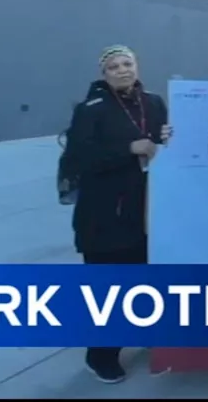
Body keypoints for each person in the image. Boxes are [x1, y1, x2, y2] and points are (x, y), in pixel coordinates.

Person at [63, 45, 172, 383]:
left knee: (142, 284)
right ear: (104, 74)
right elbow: (79, 158)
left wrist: (167, 137)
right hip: (104, 215)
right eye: (114, 66)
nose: (123, 70)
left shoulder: (153, 103)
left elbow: (161, 146)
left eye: (128, 63)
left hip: (144, 211)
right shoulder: (90, 109)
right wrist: (128, 148)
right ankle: (101, 355)